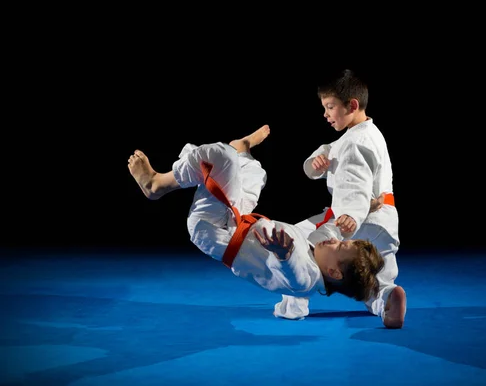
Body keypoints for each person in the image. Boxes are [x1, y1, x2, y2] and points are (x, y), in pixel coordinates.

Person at [127, 124, 385, 305]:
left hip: (212, 229)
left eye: (340, 247)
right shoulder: (317, 250)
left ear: (334, 273)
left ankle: (155, 184)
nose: (335, 241)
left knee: (219, 155)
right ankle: (243, 150)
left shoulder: (305, 276)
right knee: (255, 173)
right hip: (239, 215)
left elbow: (292, 272)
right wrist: (362, 208)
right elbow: (329, 227)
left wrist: (284, 255)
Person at [274, 69, 407, 329]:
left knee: (298, 243)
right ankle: (387, 299)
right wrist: (316, 164)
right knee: (376, 278)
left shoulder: (353, 144)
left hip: (355, 220)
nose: (325, 114)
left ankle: (294, 305)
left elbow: (353, 183)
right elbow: (322, 160)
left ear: (352, 105)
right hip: (385, 222)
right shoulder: (368, 134)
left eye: (330, 106)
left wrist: (351, 216)